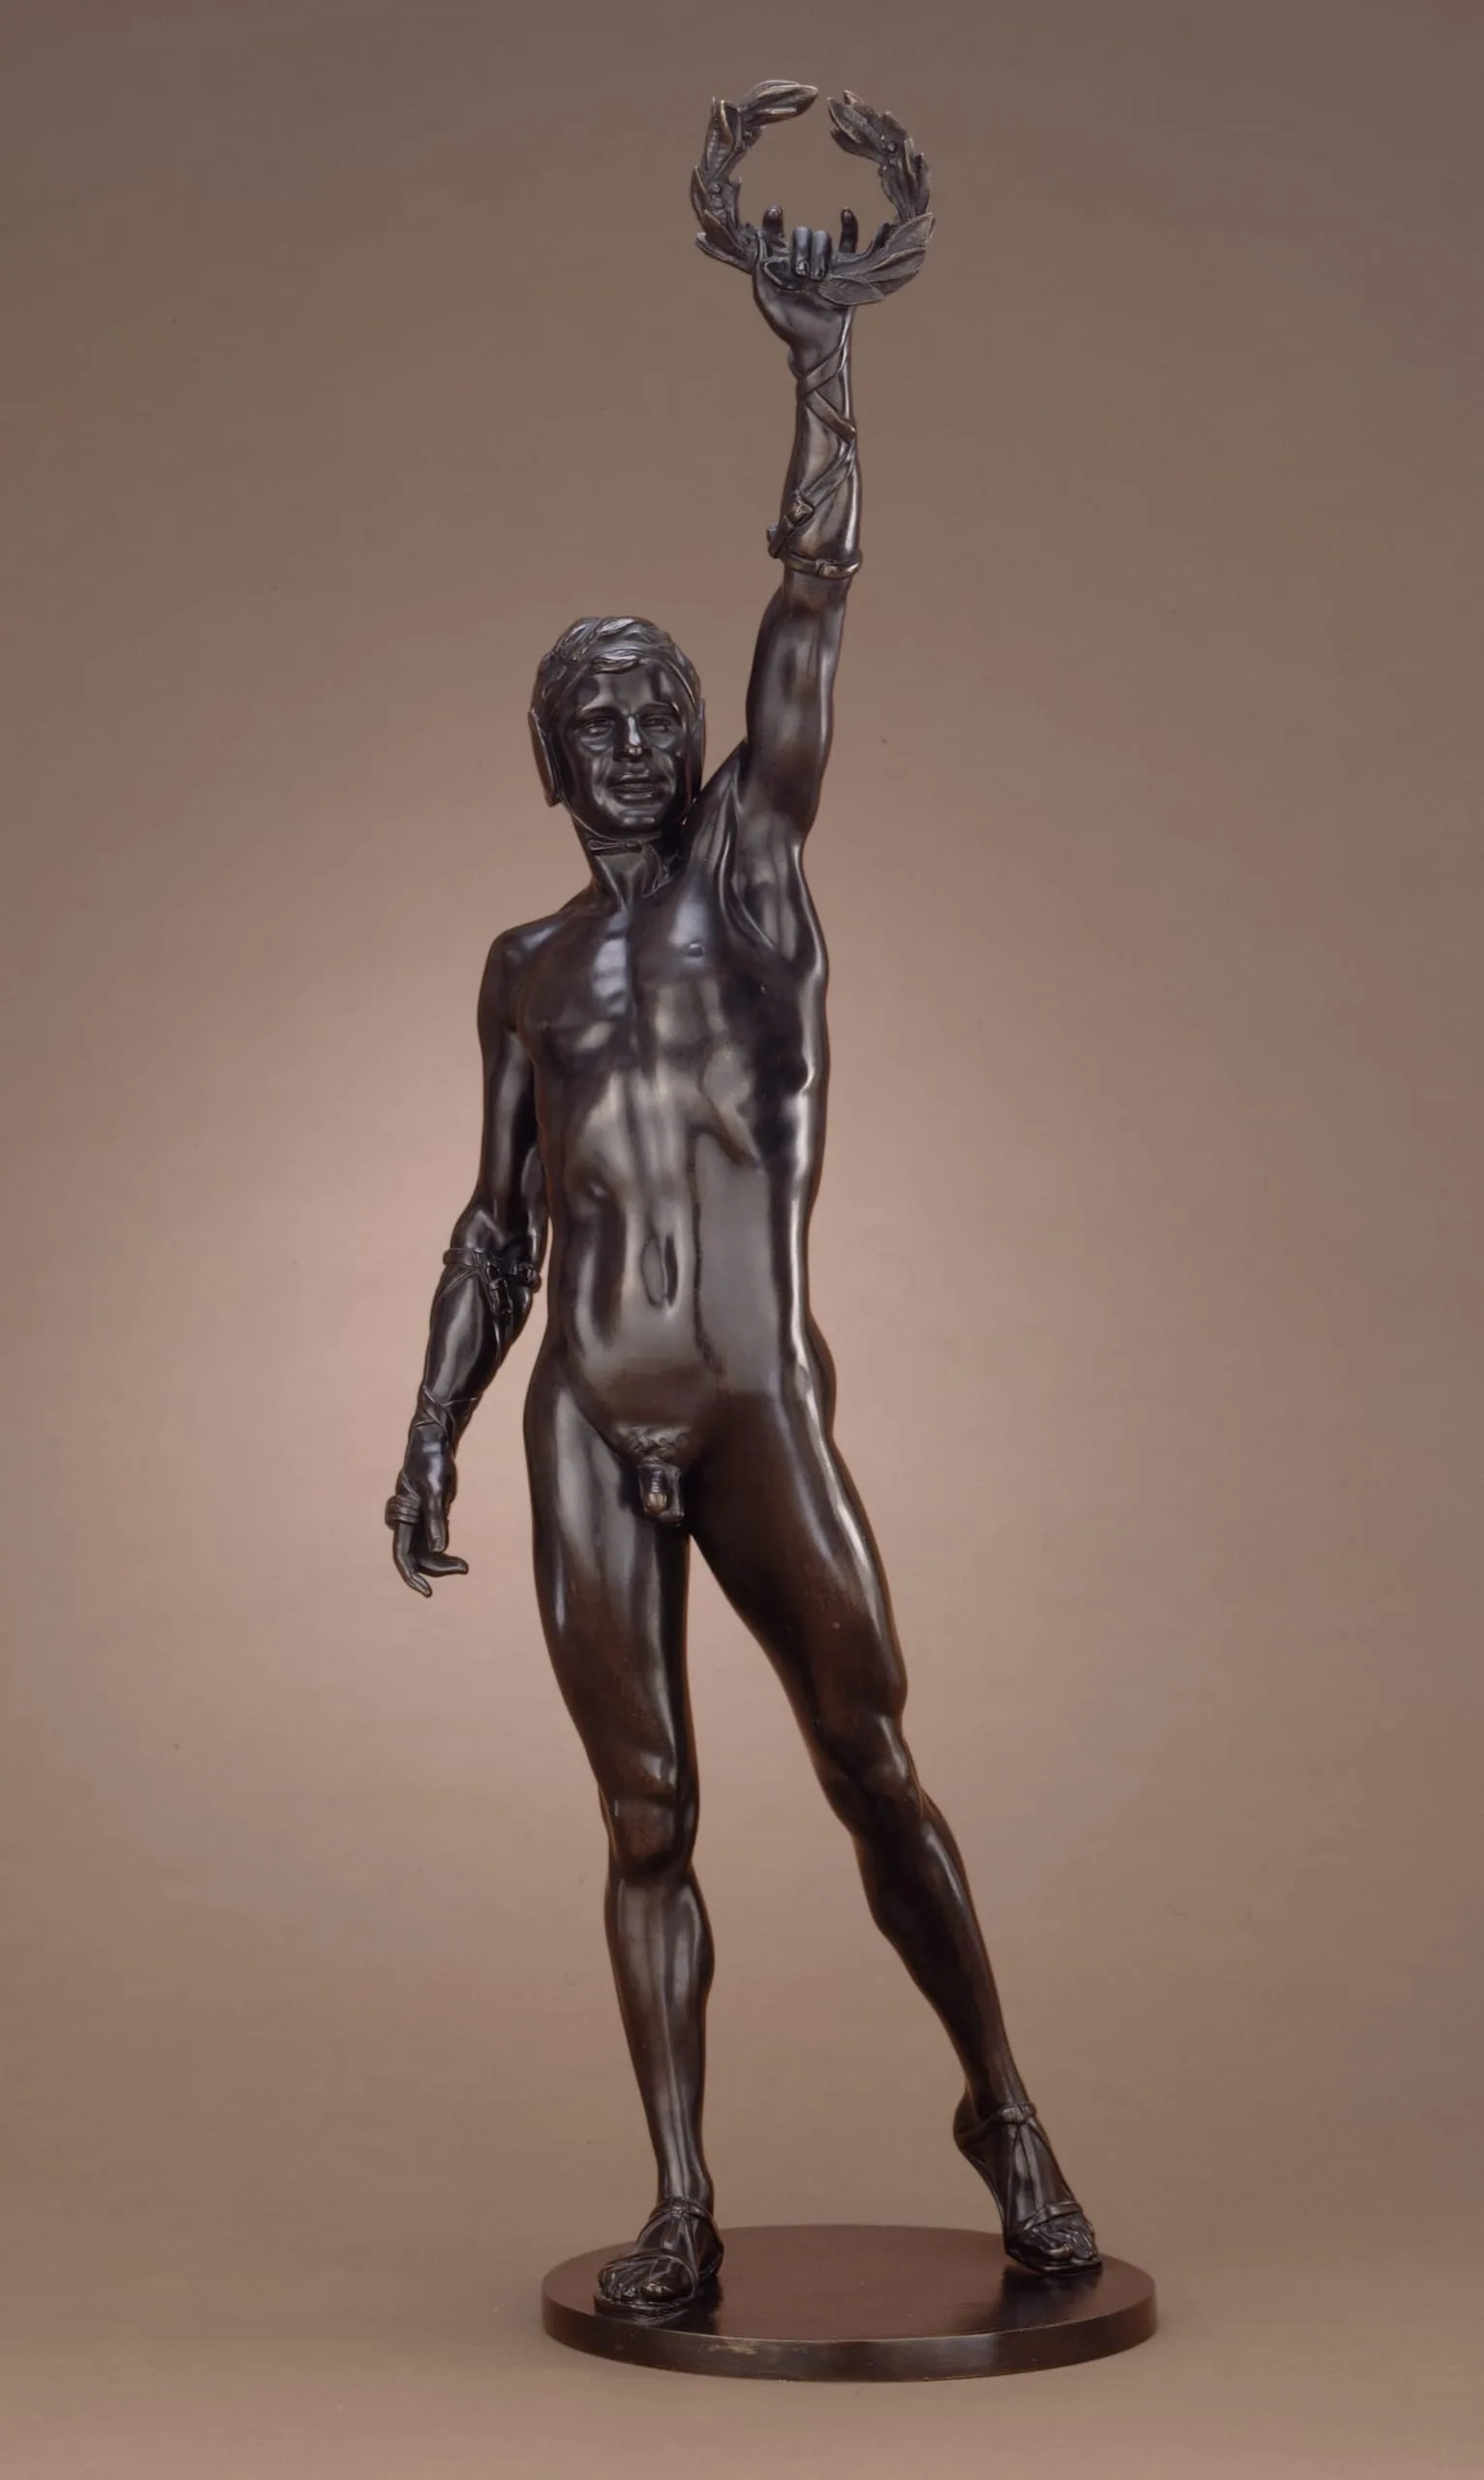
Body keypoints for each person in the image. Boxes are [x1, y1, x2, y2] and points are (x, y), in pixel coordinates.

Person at [386, 211, 1098, 2321]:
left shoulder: (751, 874)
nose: (627, 729)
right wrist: (427, 1424)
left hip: (757, 1404)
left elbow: (811, 603)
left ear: (699, 737)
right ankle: (682, 2197)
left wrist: (820, 362)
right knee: (645, 1812)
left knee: (871, 1761)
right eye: (588, 709)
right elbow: (498, 1221)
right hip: (583, 1423)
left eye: (654, 702)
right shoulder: (523, 966)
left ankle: (1006, 2113)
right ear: (544, 752)